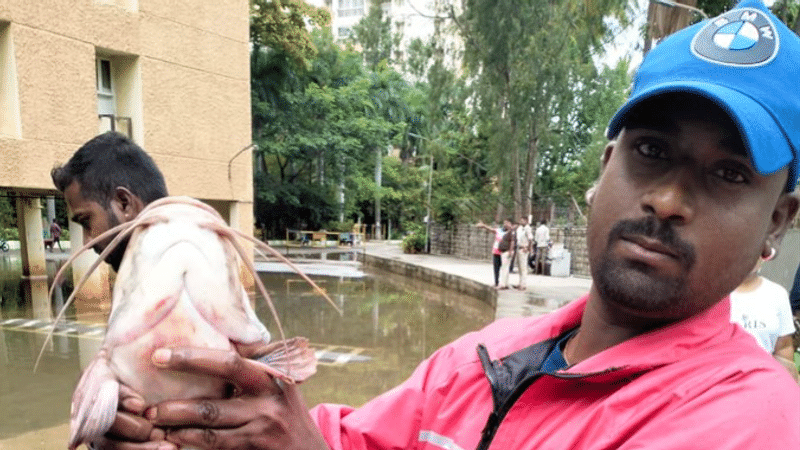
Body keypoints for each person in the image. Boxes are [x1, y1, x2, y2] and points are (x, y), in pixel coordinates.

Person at [101, 1, 800, 448]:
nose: (670, 199)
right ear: (607, 164)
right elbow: (347, 439)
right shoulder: (483, 357)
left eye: (729, 173)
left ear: (778, 221)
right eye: (652, 152)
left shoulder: (756, 422)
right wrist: (208, 419)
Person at [730, 258, 798, 381]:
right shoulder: (714, 295)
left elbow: (783, 347)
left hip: (764, 381)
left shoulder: (777, 294)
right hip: (723, 382)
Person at [475, 219, 510, 289]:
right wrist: (484, 226)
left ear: (510, 224)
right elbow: (490, 229)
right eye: (504, 223)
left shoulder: (510, 233)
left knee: (504, 269)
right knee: (496, 268)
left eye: (507, 223)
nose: (505, 224)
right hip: (496, 252)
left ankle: (504, 284)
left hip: (504, 253)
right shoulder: (499, 230)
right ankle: (496, 282)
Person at [514, 216, 533, 290]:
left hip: (524, 248)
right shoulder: (520, 228)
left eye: (523, 221)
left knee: (523, 267)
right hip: (519, 247)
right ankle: (520, 282)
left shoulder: (527, 229)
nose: (521, 222)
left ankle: (523, 284)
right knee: (519, 267)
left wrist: (528, 248)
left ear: (526, 221)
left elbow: (530, 239)